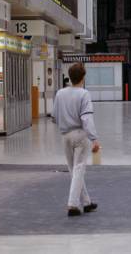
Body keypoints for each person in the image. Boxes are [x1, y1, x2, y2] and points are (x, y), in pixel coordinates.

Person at [53, 63, 100, 217]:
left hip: (65, 136)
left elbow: (54, 116)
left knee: (74, 171)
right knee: (79, 169)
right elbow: (86, 118)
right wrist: (94, 138)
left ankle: (86, 202)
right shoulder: (84, 94)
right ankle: (73, 204)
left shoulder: (60, 93)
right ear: (83, 77)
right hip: (80, 135)